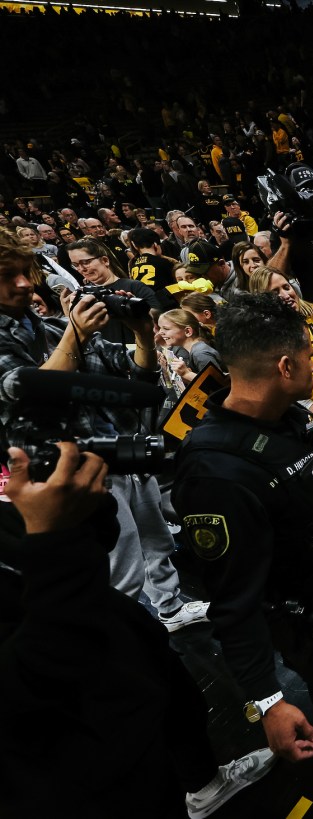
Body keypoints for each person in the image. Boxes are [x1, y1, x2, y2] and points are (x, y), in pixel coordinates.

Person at [172, 292, 313, 770]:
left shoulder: (289, 412)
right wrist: (267, 701)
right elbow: (231, 603)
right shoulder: (215, 473)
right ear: (283, 366)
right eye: (308, 357)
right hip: (309, 614)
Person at [0, 441, 276, 818]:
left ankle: (206, 786)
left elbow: (102, 536)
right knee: (131, 765)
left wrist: (79, 501)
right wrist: (53, 544)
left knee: (179, 701)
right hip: (69, 695)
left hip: (111, 626)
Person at [0, 228, 207, 634]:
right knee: (118, 563)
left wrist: (142, 332)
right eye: (8, 276)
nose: (24, 283)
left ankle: (170, 608)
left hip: (120, 448)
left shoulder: (50, 327)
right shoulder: (48, 334)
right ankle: (128, 640)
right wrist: (76, 335)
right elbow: (32, 390)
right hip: (70, 467)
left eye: (25, 271)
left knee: (155, 541)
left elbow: (136, 372)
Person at [248, 265, 313, 424]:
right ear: (262, 301)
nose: (286, 295)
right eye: (275, 293)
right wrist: (308, 404)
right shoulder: (267, 338)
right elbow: (276, 384)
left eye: (286, 287)